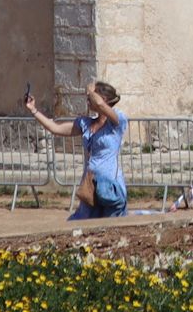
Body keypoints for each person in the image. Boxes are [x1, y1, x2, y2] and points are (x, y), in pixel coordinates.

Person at [25, 80, 129, 219]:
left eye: (89, 97)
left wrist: (91, 90)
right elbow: (55, 128)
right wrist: (33, 110)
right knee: (79, 224)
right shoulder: (86, 123)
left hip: (110, 187)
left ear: (103, 99)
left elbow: (99, 104)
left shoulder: (117, 121)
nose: (87, 100)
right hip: (90, 187)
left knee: (112, 229)